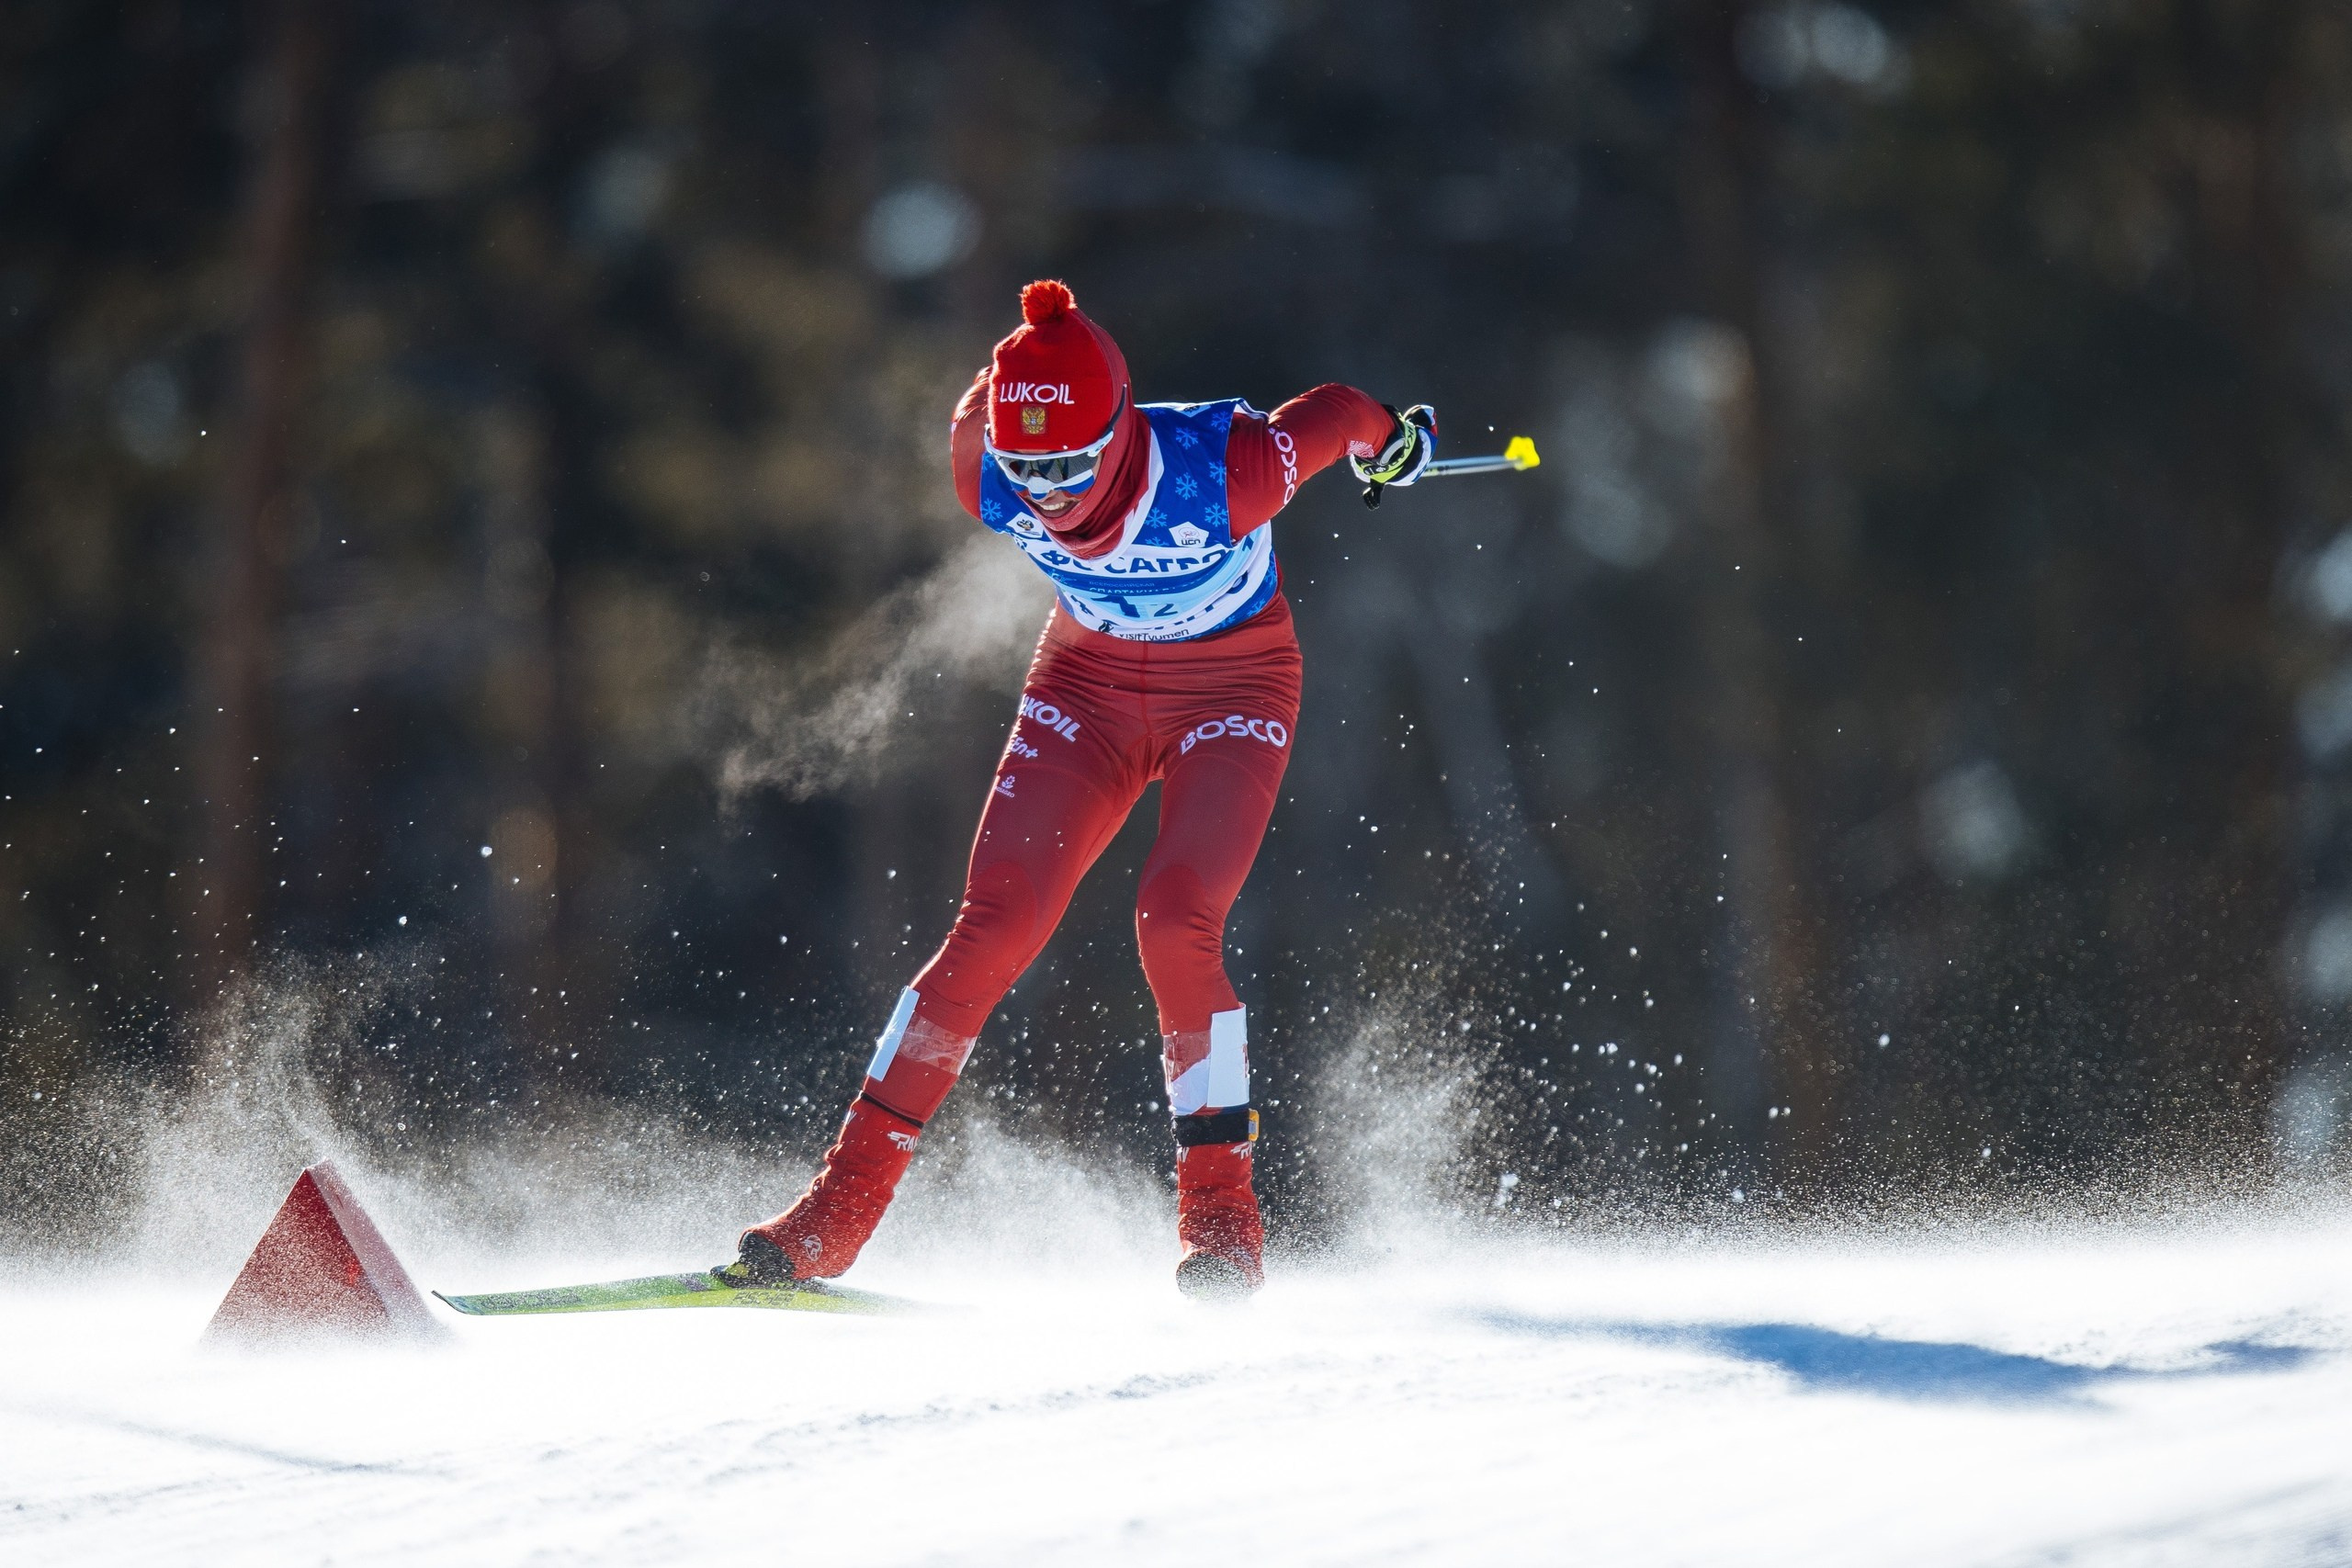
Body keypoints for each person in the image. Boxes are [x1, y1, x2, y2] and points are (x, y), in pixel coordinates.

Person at [724, 279, 1433, 1297]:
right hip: (1085, 686)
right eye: (1030, 470)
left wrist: (1391, 440)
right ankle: (834, 1215)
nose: (1050, 495)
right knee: (991, 928)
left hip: (1232, 686)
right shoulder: (984, 463)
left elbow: (1337, 412)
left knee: (1175, 921)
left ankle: (1223, 1225)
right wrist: (1028, 375)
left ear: (1120, 431)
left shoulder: (1226, 471)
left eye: (1070, 465)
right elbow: (1002, 397)